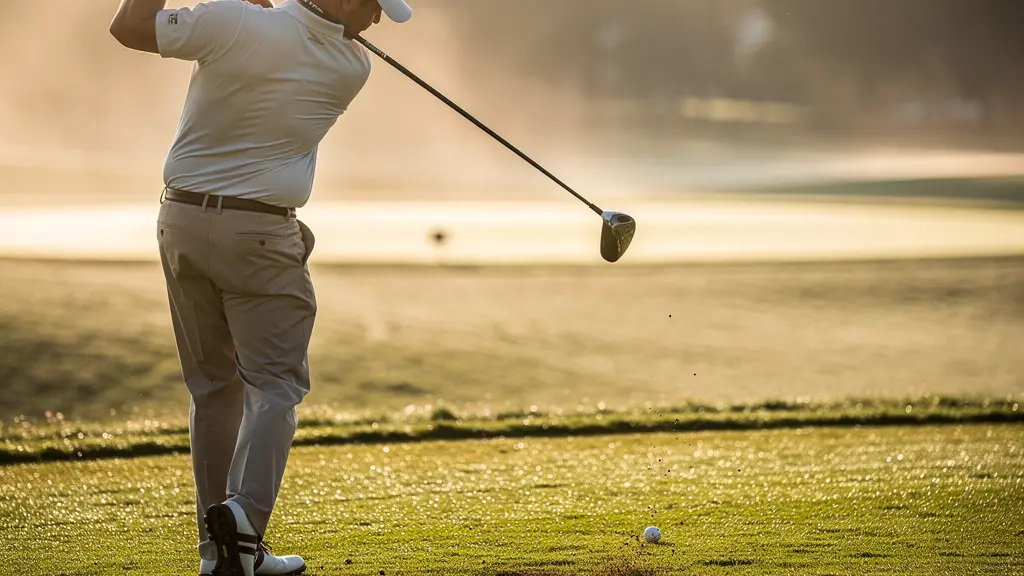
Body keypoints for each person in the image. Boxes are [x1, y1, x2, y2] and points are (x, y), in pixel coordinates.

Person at [108, 1, 412, 574]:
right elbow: (286, 35)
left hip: (180, 222)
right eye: (372, 6)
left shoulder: (233, 21)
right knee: (276, 385)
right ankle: (243, 521)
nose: (374, 21)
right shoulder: (350, 65)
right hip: (262, 236)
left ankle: (218, 553)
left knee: (213, 389)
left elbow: (128, 27)